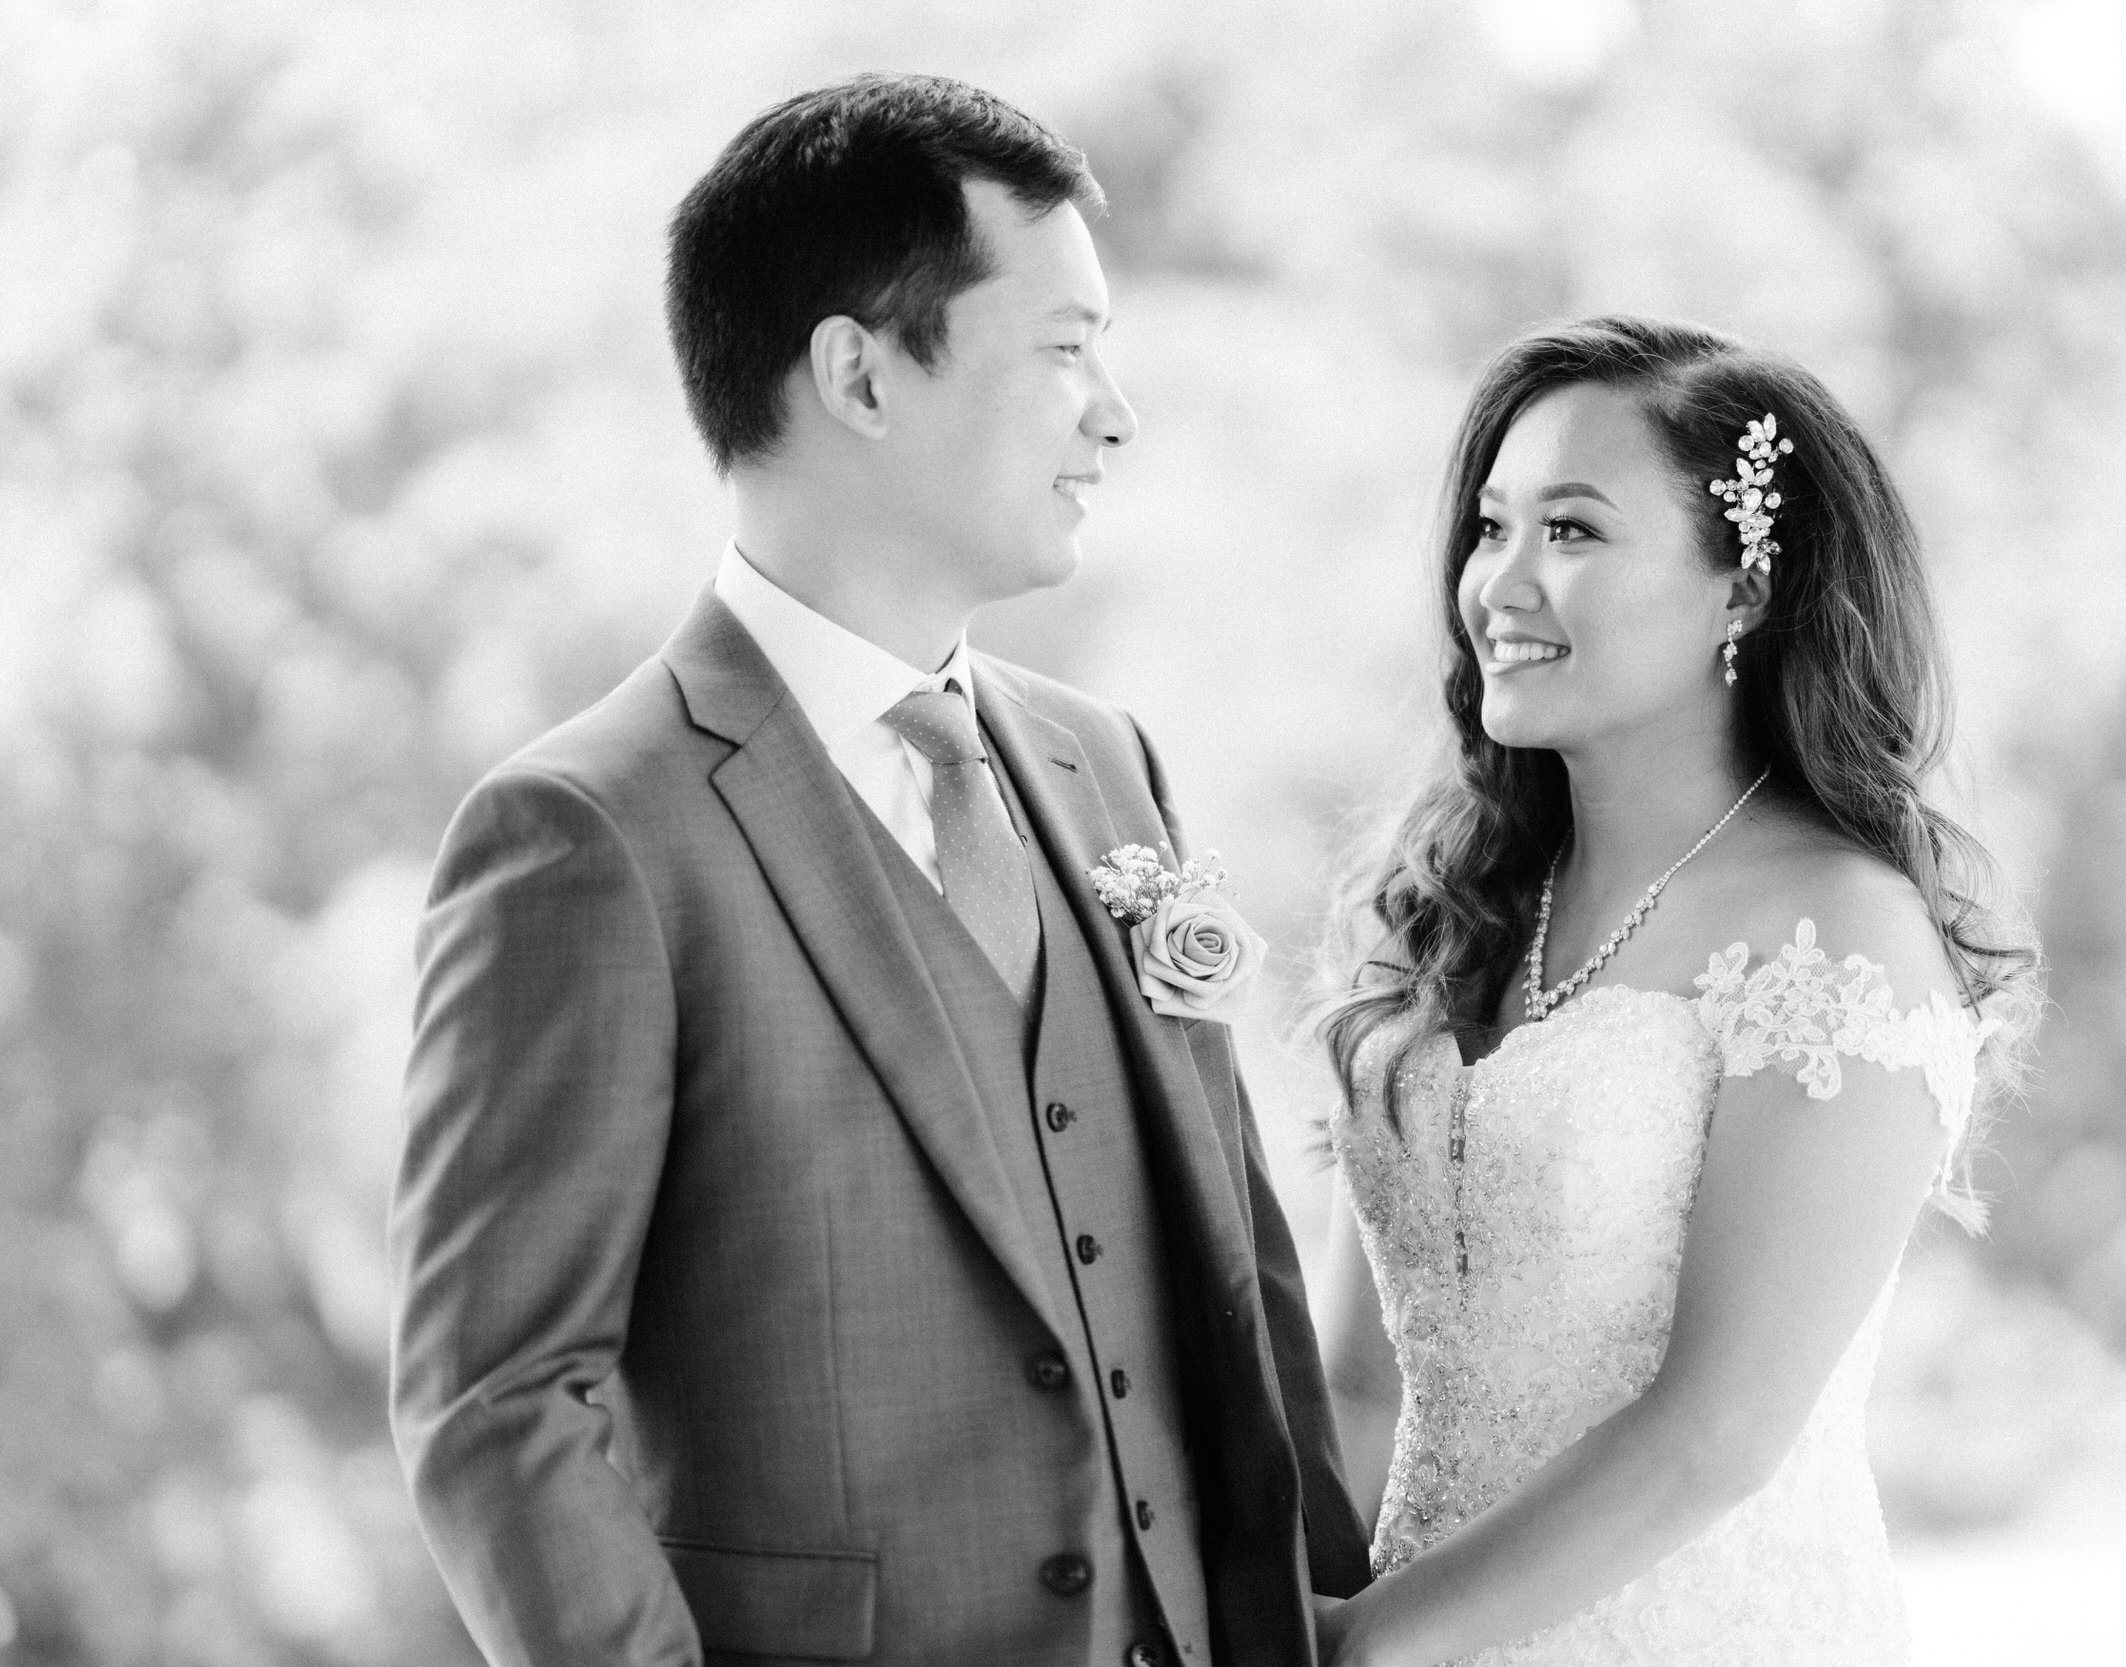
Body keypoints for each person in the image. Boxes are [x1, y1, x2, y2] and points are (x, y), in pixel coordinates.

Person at [388, 73, 1368, 1667]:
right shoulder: (586, 835)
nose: (1112, 410)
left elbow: (1234, 1280)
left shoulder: (1104, 766)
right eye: (1062, 349)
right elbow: (497, 1405)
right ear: (858, 373)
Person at [1309, 316, 2042, 1665]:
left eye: (1574, 533)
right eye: (1490, 528)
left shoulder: (1840, 936)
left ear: (1744, 592)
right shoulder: (1457, 917)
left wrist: (1364, 1648)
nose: (1500, 588)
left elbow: (1718, 1432)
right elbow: (1360, 1387)